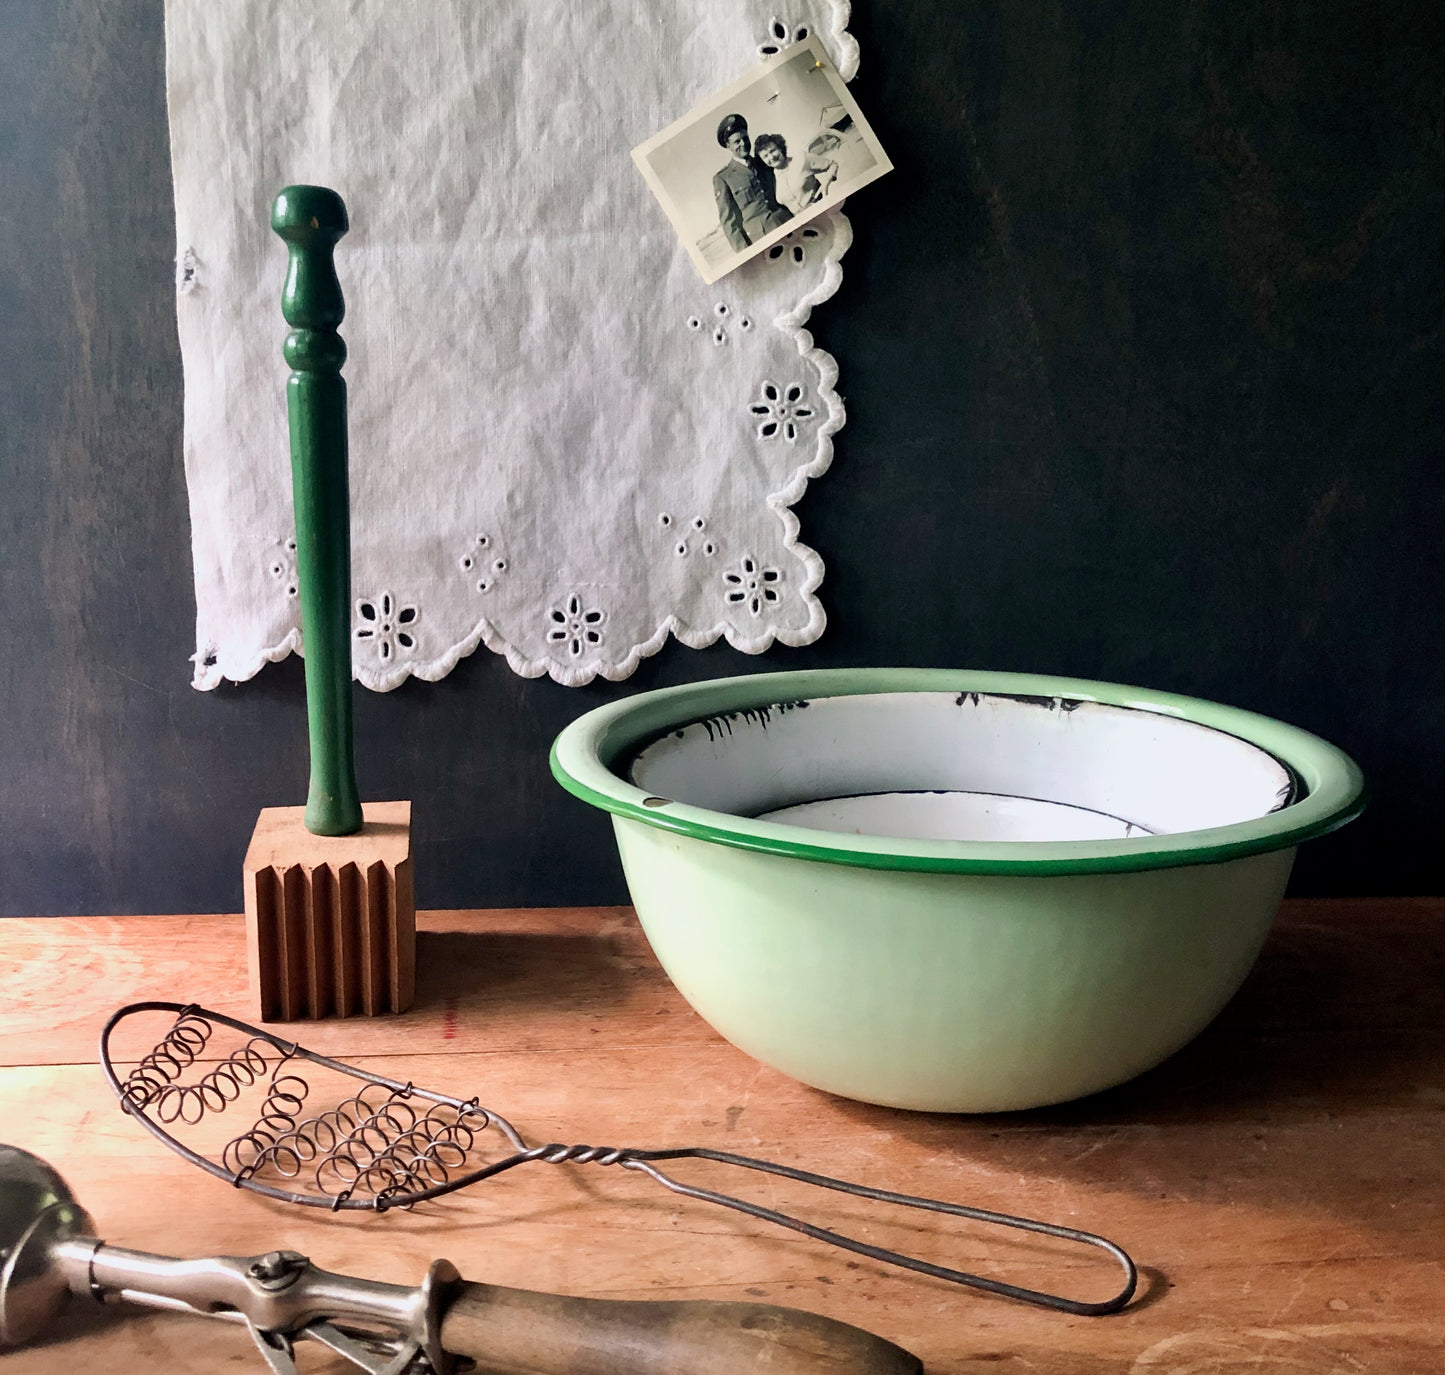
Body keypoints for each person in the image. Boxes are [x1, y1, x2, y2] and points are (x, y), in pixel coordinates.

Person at [712, 114, 792, 252]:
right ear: (728, 145)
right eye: (737, 142)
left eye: (745, 138)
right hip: (763, 240)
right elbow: (729, 224)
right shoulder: (724, 178)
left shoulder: (763, 162)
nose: (743, 143)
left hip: (786, 221)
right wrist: (746, 254)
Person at [754, 133, 813, 216]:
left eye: (772, 151)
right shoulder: (772, 179)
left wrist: (825, 184)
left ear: (780, 148)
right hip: (801, 220)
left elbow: (832, 165)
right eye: (765, 156)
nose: (771, 157)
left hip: (819, 209)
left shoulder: (800, 160)